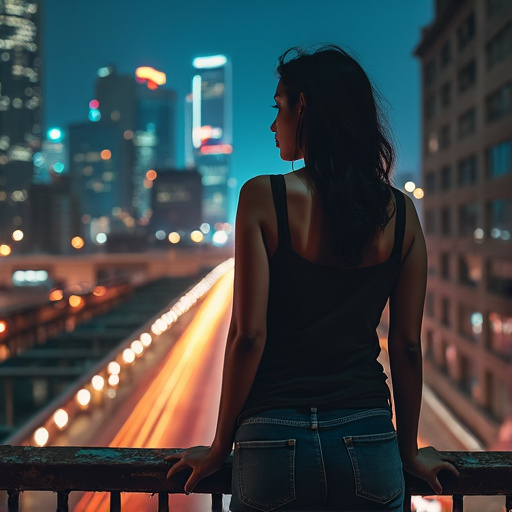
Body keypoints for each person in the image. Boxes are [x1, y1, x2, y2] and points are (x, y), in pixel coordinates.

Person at [166, 44, 459, 511]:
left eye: (278, 106)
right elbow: (406, 345)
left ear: (304, 106)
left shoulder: (263, 197)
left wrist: (220, 447)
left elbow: (248, 335)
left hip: (270, 437)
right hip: (369, 437)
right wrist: (409, 450)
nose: (273, 122)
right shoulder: (402, 215)